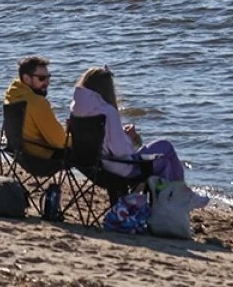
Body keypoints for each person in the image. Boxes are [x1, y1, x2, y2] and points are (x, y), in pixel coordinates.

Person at [69, 66, 206, 206]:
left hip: (97, 167)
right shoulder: (108, 111)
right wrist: (130, 138)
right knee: (166, 150)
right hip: (120, 169)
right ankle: (180, 197)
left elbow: (101, 141)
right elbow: (121, 152)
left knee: (164, 155)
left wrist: (121, 134)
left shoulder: (75, 109)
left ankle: (179, 196)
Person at [4, 55, 67, 160]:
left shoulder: (11, 95)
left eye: (48, 77)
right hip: (42, 158)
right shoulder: (37, 103)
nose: (47, 82)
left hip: (20, 154)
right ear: (26, 78)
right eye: (42, 78)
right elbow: (60, 142)